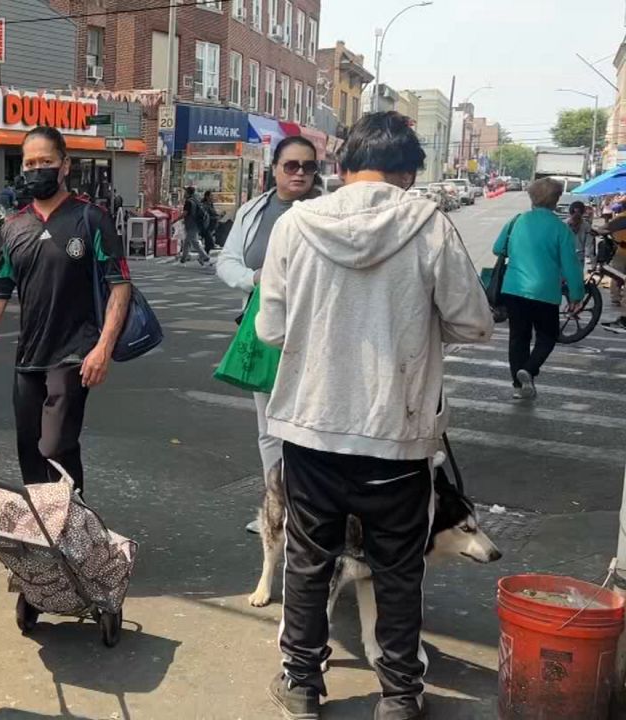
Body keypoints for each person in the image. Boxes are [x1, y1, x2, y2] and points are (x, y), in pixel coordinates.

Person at [257, 111, 493, 720]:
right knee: (396, 572)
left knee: (309, 564)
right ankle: (399, 698)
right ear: (410, 173)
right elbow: (474, 321)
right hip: (400, 439)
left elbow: (270, 328)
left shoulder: (296, 224)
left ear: (339, 165)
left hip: (310, 430)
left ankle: (302, 685)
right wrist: (413, 325)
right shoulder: (431, 226)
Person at [0, 125, 131, 492]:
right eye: (30, 163)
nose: (37, 169)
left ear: (65, 165)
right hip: (29, 357)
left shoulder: (92, 219)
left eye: (46, 161)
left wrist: (102, 349)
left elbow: (119, 287)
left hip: (75, 353)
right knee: (29, 449)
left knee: (56, 445)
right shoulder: (13, 228)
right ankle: (46, 530)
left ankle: (74, 526)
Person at [216, 136, 322, 521]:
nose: (299, 173)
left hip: (317, 334)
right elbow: (226, 261)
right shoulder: (253, 211)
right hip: (264, 331)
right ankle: (276, 508)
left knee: (311, 427)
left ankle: (311, 511)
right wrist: (254, 277)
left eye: (308, 167)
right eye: (290, 165)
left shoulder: (326, 211)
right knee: (269, 428)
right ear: (274, 168)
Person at [492, 178, 585, 400]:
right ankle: (530, 369)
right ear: (555, 200)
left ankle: (519, 385)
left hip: (514, 290)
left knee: (518, 338)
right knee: (547, 336)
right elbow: (571, 265)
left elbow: (497, 249)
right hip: (545, 293)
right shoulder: (561, 230)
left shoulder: (516, 221)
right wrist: (576, 295)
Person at [179, 186, 210, 265]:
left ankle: (204, 256)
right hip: (196, 224)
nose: (184, 193)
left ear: (188, 193)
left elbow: (185, 213)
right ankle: (184, 257)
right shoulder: (196, 200)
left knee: (193, 241)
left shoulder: (188, 202)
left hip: (191, 224)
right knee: (187, 241)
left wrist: (174, 220)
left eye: (185, 192)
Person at [567, 200, 592, 266]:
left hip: (566, 254)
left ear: (570, 211)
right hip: (580, 255)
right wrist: (587, 256)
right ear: (583, 212)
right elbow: (588, 243)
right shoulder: (586, 225)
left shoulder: (563, 224)